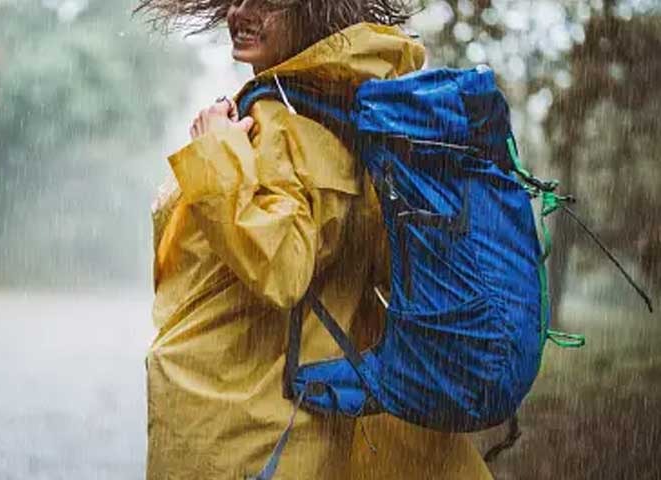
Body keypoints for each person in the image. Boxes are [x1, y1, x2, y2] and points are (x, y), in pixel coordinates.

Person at [138, 0, 494, 477]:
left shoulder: (294, 126)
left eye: (265, 3)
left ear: (311, 13)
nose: (241, 13)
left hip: (249, 433)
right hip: (274, 419)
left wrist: (213, 149)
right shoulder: (337, 117)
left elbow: (283, 267)